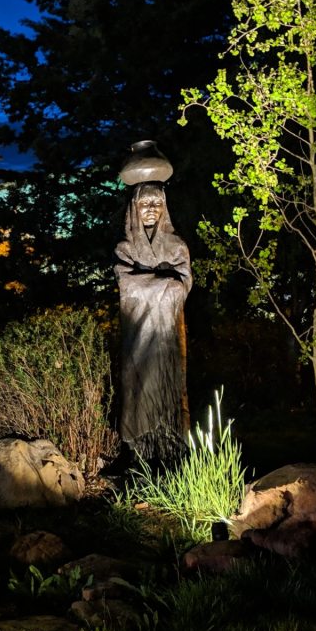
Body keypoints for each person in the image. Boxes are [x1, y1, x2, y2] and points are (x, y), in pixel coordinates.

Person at [114, 182, 192, 461]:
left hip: (167, 333)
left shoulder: (176, 246)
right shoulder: (126, 248)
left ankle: (172, 449)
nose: (151, 209)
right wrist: (164, 284)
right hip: (138, 334)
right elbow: (127, 286)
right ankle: (138, 452)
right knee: (137, 386)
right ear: (134, 208)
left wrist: (160, 284)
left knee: (169, 385)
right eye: (145, 203)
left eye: (157, 203)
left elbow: (182, 285)